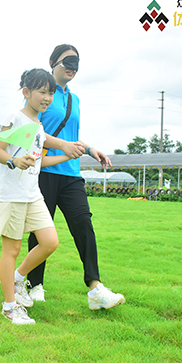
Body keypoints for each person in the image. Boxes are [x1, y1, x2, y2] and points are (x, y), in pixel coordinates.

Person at [26, 44, 126, 311]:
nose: (72, 67)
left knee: (84, 225)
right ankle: (34, 284)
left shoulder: (74, 99)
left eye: (76, 63)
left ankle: (95, 288)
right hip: (44, 171)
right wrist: (63, 146)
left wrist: (91, 150)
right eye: (67, 61)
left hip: (71, 174)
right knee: (41, 229)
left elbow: (71, 136)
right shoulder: (40, 94)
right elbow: (31, 131)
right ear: (53, 63)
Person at [0, 68, 76, 325]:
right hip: (12, 195)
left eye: (51, 93)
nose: (47, 98)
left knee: (50, 242)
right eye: (42, 92)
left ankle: (18, 278)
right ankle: (10, 307)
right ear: (26, 92)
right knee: (12, 249)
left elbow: (40, 161)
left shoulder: (38, 126)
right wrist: (14, 160)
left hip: (33, 194)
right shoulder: (14, 118)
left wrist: (67, 154)